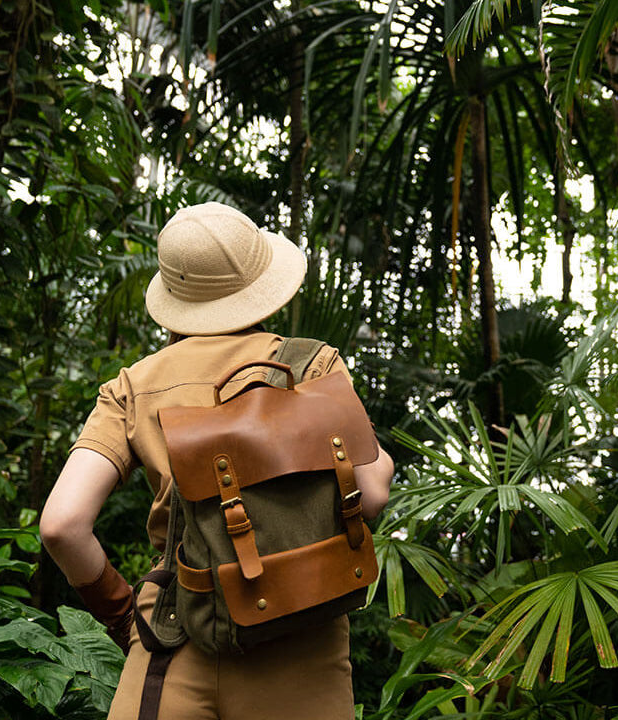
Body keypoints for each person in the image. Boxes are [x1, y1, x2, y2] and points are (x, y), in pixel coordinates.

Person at [40, 202, 395, 719]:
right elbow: (374, 493)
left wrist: (123, 617)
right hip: (303, 627)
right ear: (260, 283)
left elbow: (62, 525)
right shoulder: (311, 365)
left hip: (174, 629)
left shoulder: (132, 386)